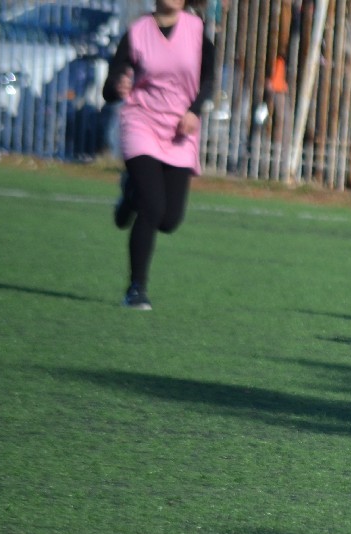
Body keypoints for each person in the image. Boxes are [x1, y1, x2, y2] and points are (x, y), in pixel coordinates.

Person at [104, 0, 215, 310]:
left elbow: (208, 80)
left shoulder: (197, 31)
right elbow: (109, 87)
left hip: (180, 129)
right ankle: (136, 289)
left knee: (168, 220)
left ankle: (130, 193)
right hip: (141, 123)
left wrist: (194, 111)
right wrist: (117, 85)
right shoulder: (137, 32)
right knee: (152, 206)